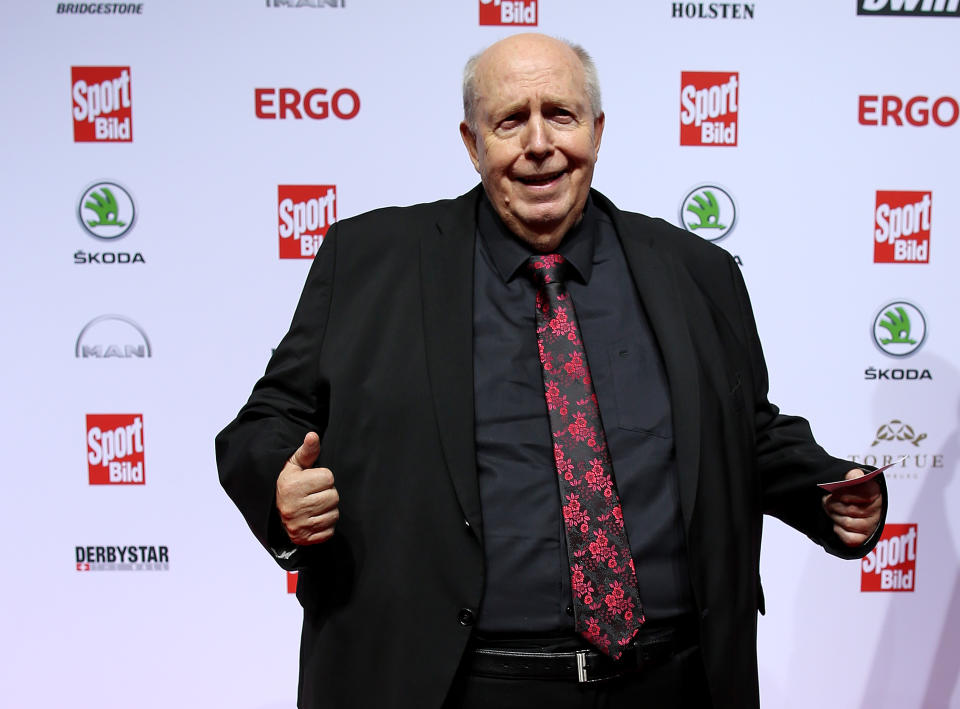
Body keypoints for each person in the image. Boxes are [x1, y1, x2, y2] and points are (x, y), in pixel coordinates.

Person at [216, 33, 885, 709]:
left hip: (672, 682)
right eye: (510, 121)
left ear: (596, 130)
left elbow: (745, 429)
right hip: (461, 685)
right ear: (473, 143)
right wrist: (279, 486)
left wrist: (823, 491)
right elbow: (266, 422)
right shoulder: (370, 260)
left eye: (561, 115)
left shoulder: (695, 270)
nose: (540, 143)